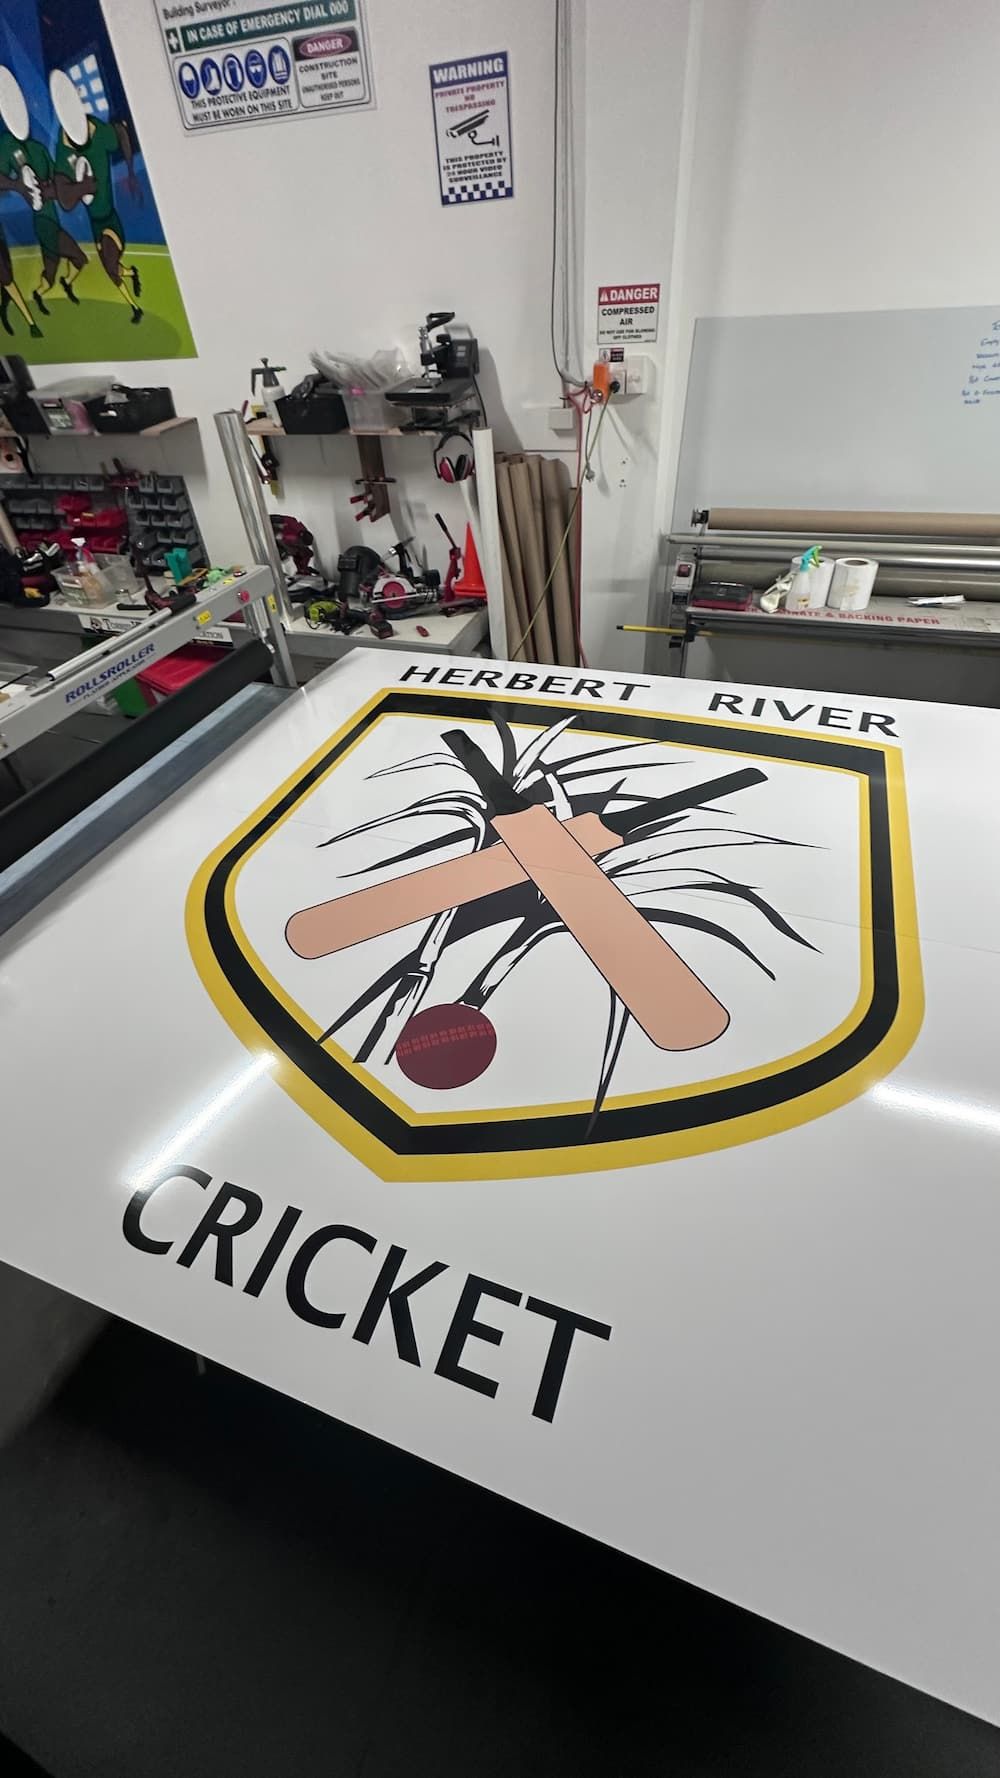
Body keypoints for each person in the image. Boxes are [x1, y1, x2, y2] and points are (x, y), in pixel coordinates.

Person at [49, 70, 142, 325]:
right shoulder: (63, 147)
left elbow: (121, 132)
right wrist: (82, 188)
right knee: (112, 271)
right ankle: (132, 275)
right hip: (95, 224)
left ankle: (136, 310)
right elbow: (65, 200)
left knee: (111, 266)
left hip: (109, 217)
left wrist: (132, 173)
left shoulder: (97, 130)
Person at [0, 66, 86, 317]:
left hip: (52, 215)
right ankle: (64, 285)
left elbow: (56, 182)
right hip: (44, 224)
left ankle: (41, 292)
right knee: (79, 258)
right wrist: (19, 186)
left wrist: (72, 188)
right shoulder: (7, 146)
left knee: (50, 272)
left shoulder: (38, 148)